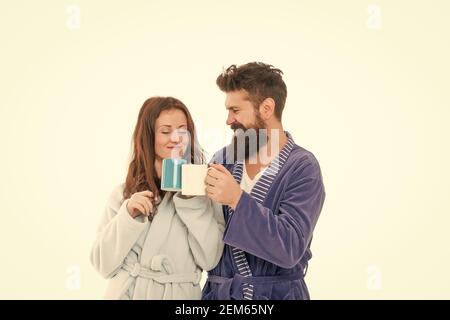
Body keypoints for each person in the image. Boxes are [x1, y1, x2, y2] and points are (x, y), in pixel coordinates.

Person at [202, 62, 326, 300]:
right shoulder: (223, 159)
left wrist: (236, 198)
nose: (228, 120)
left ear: (267, 108)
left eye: (235, 110)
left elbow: (289, 247)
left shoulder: (302, 167)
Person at [91, 96, 225, 299]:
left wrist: (192, 203)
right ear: (148, 136)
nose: (176, 138)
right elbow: (102, 265)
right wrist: (127, 216)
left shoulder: (205, 194)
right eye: (165, 131)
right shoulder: (123, 194)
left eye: (183, 130)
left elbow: (211, 260)